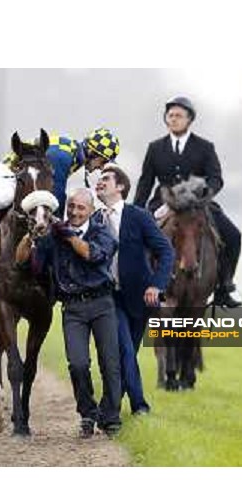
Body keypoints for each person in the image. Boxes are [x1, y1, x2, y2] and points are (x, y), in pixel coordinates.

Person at [16, 188, 121, 438]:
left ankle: (111, 417)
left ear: (91, 211)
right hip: (72, 307)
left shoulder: (102, 232)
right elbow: (22, 262)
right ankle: (87, 413)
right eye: (71, 206)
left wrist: (69, 236)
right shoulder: (54, 235)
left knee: (110, 363)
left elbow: (92, 254)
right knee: (77, 364)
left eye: (80, 208)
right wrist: (30, 237)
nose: (74, 211)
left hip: (102, 304)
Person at [133, 95, 242, 308]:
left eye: (178, 116)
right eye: (170, 115)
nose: (173, 119)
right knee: (138, 238)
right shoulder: (155, 148)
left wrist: (203, 194)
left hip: (198, 204)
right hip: (164, 203)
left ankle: (225, 286)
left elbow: (216, 178)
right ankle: (140, 284)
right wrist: (136, 211)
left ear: (189, 119)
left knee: (233, 235)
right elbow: (145, 182)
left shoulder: (205, 147)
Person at [96, 164, 174, 415]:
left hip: (141, 299)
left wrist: (157, 285)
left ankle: (111, 405)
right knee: (125, 350)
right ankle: (139, 405)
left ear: (120, 187)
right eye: (99, 179)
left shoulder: (138, 216)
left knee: (127, 353)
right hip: (109, 298)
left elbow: (166, 251)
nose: (100, 182)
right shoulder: (95, 219)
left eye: (106, 178)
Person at [0, 128, 120, 245]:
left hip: (27, 176)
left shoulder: (74, 154)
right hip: (9, 172)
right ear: (94, 153)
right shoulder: (63, 156)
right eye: (103, 161)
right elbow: (55, 194)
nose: (101, 167)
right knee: (6, 198)